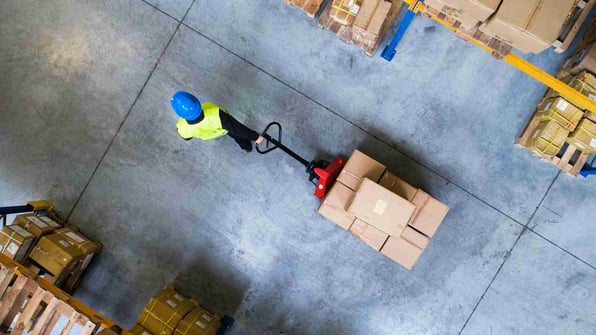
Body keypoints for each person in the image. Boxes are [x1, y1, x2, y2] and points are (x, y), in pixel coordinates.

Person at [171, 91, 264, 152]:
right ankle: (246, 145)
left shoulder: (182, 127)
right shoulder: (216, 115)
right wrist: (256, 137)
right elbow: (237, 128)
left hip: (211, 134)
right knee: (237, 135)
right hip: (224, 129)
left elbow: (187, 138)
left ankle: (246, 148)